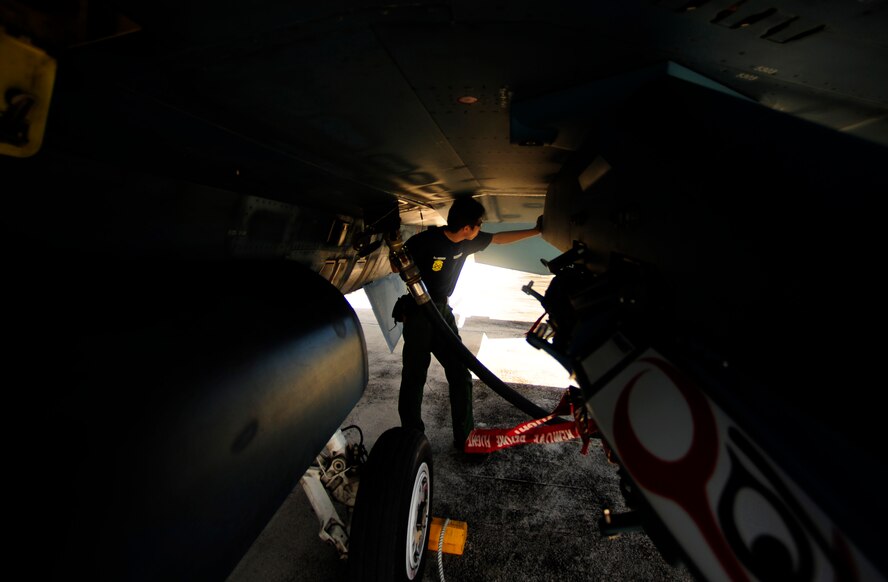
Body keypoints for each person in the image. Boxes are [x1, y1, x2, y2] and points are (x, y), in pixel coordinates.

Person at [395, 196, 543, 451]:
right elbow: (396, 262)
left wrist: (536, 231)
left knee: (461, 374)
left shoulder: (468, 241)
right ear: (467, 228)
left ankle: (465, 436)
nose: (480, 229)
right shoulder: (424, 241)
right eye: (478, 224)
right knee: (414, 376)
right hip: (419, 313)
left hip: (442, 312)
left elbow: (499, 239)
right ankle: (411, 436)